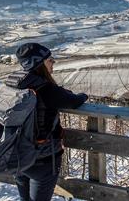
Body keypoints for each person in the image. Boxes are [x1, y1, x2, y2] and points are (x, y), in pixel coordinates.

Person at [5, 43, 88, 201]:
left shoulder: (13, 83)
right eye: (50, 60)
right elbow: (74, 101)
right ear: (39, 63)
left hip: (17, 154)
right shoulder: (46, 88)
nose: (53, 62)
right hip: (42, 160)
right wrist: (84, 95)